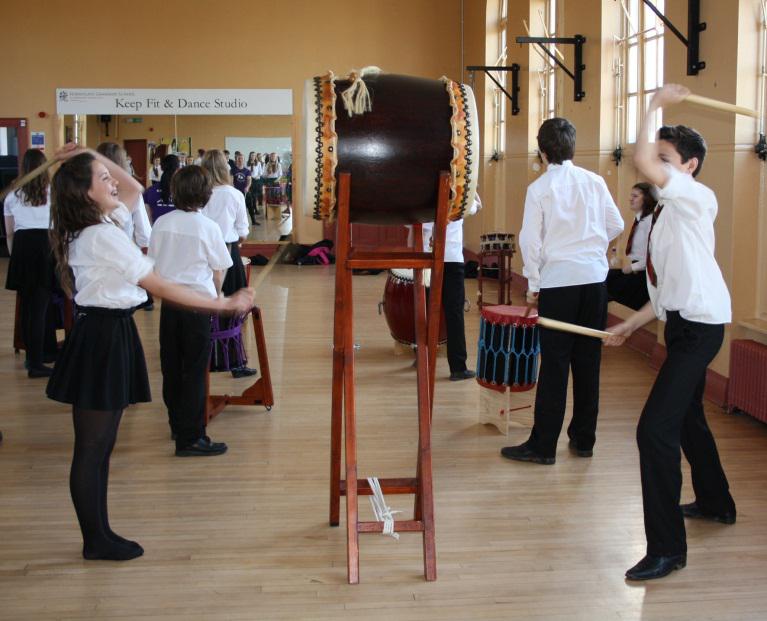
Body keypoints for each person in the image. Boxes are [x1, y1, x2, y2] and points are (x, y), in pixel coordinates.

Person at [45, 144, 253, 561]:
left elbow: (135, 189)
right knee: (92, 447)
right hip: (102, 337)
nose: (112, 181)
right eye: (102, 179)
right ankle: (95, 538)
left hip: (110, 333)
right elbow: (156, 284)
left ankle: (99, 533)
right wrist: (224, 304)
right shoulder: (101, 235)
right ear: (86, 194)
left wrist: (90, 154)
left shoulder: (102, 222)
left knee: (100, 446)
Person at [605, 84, 736, 581]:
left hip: (702, 329)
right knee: (686, 420)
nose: (652, 165)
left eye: (665, 158)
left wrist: (654, 105)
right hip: (682, 324)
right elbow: (662, 293)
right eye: (657, 158)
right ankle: (716, 501)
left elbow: (639, 156)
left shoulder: (697, 197)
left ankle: (667, 549)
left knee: (653, 430)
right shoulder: (663, 215)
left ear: (690, 166)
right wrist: (628, 327)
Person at [501, 117, 623, 465]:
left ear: (542, 151)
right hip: (595, 284)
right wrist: (596, 251)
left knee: (554, 366)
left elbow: (530, 239)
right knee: (588, 363)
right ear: (572, 147)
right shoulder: (595, 181)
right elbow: (616, 223)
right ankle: (584, 440)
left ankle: (543, 447)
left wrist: (533, 282)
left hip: (559, 284)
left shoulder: (540, 189)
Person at [149, 165, 233, 456]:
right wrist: (217, 295)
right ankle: (192, 437)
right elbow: (218, 270)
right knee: (196, 370)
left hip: (170, 304)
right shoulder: (207, 227)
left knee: (172, 366)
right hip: (197, 305)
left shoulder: (161, 223)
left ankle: (177, 425)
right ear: (205, 194)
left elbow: (154, 264)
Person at [201, 149, 256, 378]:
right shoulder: (234, 194)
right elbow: (243, 232)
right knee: (233, 308)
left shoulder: (200, 193)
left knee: (204, 305)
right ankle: (234, 361)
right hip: (228, 251)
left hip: (203, 254)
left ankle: (206, 358)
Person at [4, 149, 57, 378]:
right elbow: (60, 226)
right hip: (45, 248)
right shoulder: (53, 192)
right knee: (40, 308)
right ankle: (36, 361)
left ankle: (34, 356)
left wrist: (14, 256)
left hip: (23, 249)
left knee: (28, 309)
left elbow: (8, 233)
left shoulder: (12, 195)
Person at [417, 194, 482, 381]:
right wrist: (473, 188)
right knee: (454, 313)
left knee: (426, 309)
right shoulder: (459, 197)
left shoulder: (423, 194)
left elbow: (409, 222)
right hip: (452, 257)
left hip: (427, 257)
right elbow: (477, 206)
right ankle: (458, 367)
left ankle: (421, 357)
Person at [606, 182, 655, 310]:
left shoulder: (650, 222)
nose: (630, 199)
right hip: (636, 269)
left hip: (643, 274)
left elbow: (653, 256)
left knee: (612, 288)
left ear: (646, 199)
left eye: (635, 196)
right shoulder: (639, 219)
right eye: (631, 195)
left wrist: (633, 267)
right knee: (606, 277)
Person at [143, 154, 180, 222]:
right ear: (178, 169)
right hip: (178, 230)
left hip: (156, 230)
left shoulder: (149, 191)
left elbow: (147, 220)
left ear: (162, 167)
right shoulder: (183, 191)